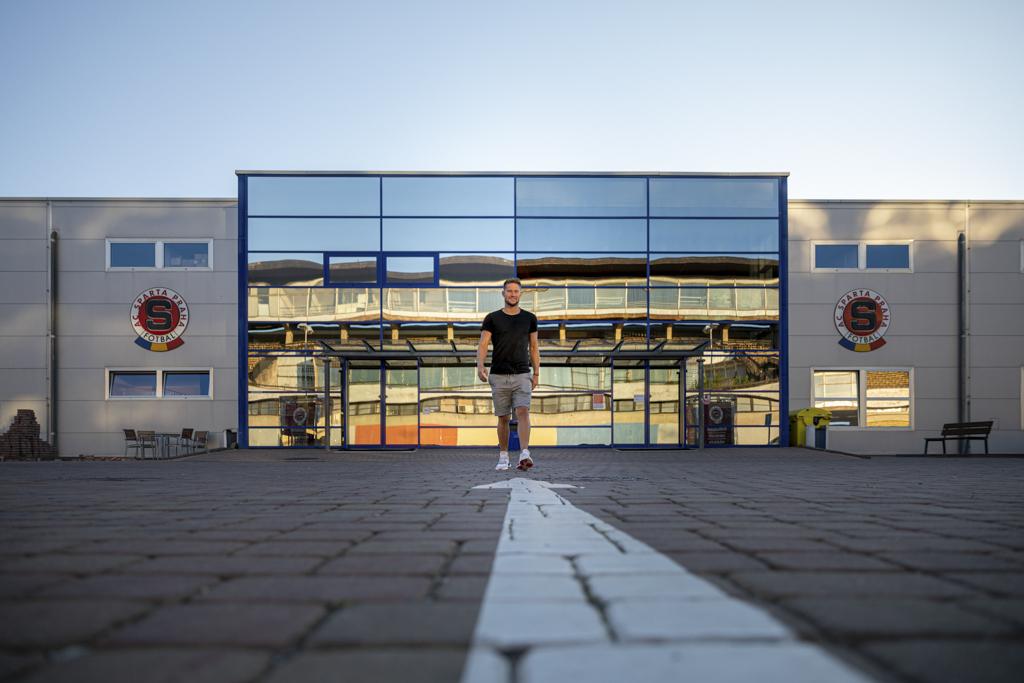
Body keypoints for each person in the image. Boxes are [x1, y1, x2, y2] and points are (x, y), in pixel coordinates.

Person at [477, 278, 539, 471]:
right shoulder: (492, 318)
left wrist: (536, 372)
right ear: (503, 293)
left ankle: (524, 452)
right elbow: (483, 344)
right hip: (498, 374)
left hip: (522, 373)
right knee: (503, 417)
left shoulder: (530, 318)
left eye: (516, 291)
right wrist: (480, 365)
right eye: (509, 291)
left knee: (523, 411)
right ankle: (503, 456)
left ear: (520, 294)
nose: (513, 294)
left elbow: (534, 347)